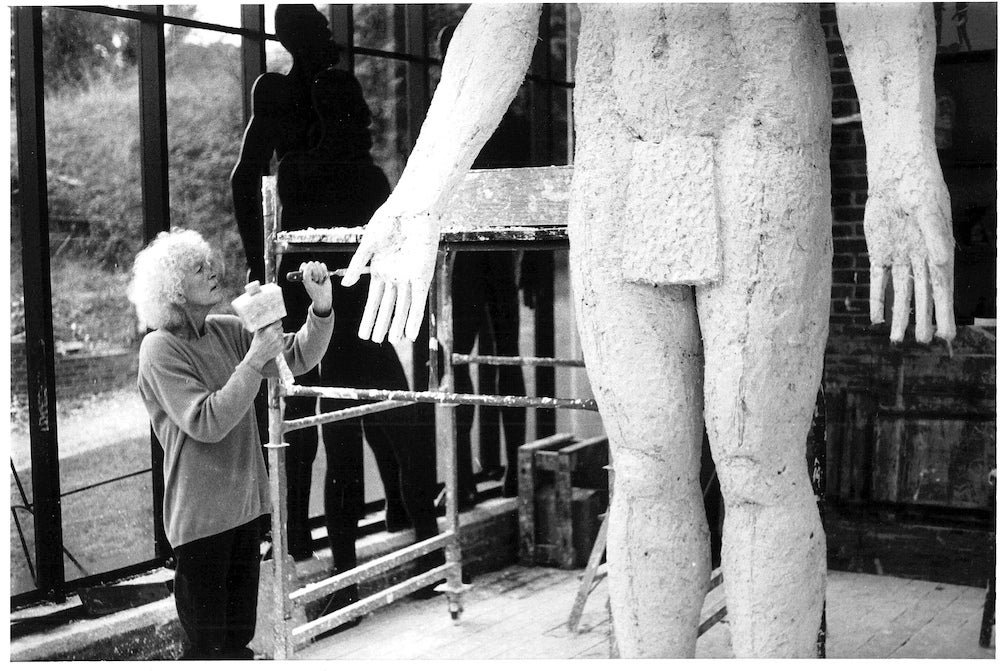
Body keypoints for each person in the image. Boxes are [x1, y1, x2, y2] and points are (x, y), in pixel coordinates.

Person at [342, 3, 956, 658]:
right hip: (618, 150)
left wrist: (901, 153)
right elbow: (500, 18)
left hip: (763, 128)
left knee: (759, 468)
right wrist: (421, 190)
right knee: (642, 469)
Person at [230, 4, 441, 612]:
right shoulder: (279, 102)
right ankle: (320, 553)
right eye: (318, 32)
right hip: (310, 282)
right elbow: (246, 179)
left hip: (345, 283)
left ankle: (398, 549)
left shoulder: (355, 166)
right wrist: (258, 258)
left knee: (376, 415)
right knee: (326, 421)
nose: (330, 40)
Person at [127, 228, 333, 659]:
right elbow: (207, 421)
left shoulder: (225, 329)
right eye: (196, 268)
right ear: (174, 291)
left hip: (243, 511)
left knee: (238, 644)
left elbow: (296, 357)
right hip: (200, 522)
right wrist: (254, 360)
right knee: (208, 649)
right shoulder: (158, 350)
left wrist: (321, 305)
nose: (212, 271)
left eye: (208, 262)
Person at [437, 24, 529, 504]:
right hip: (467, 258)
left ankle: (508, 468)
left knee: (497, 359)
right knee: (464, 361)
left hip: (487, 255)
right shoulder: (456, 118)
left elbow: (527, 193)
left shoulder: (499, 120)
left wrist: (530, 266)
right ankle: (466, 477)